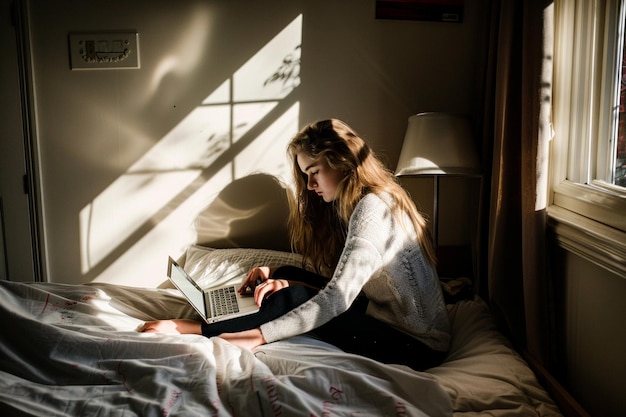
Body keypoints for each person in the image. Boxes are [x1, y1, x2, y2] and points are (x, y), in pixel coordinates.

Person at [139, 119, 451, 371]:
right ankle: (219, 310)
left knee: (292, 295)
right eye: (306, 175)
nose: (311, 185)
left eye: (315, 172)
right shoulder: (370, 199)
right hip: (391, 319)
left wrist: (257, 337)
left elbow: (337, 300)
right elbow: (341, 276)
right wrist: (277, 271)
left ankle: (197, 328)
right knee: (285, 274)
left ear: (341, 162)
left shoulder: (371, 210)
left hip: (416, 345)